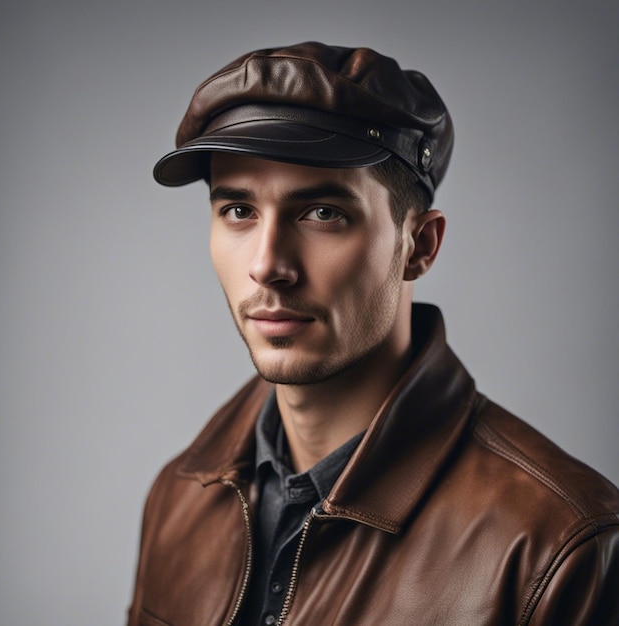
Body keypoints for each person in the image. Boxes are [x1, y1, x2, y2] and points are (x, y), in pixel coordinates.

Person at [127, 42, 619, 626]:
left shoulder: (556, 546)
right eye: (238, 211)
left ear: (420, 246)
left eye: (323, 213)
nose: (267, 264)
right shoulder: (180, 496)